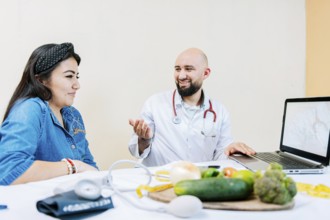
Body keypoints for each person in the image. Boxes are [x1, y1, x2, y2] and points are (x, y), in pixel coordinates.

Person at [128, 48, 255, 166]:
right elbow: (135, 151)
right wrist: (144, 140)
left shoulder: (220, 112)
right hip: (158, 180)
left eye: (188, 69)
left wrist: (230, 150)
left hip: (195, 183)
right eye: (178, 69)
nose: (181, 76)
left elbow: (220, 157)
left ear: (205, 73)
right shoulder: (155, 103)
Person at [0, 42, 98, 185]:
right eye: (69, 76)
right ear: (41, 80)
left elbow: (90, 167)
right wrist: (73, 166)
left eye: (77, 76)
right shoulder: (29, 109)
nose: (77, 85)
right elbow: (9, 170)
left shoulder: (73, 115)